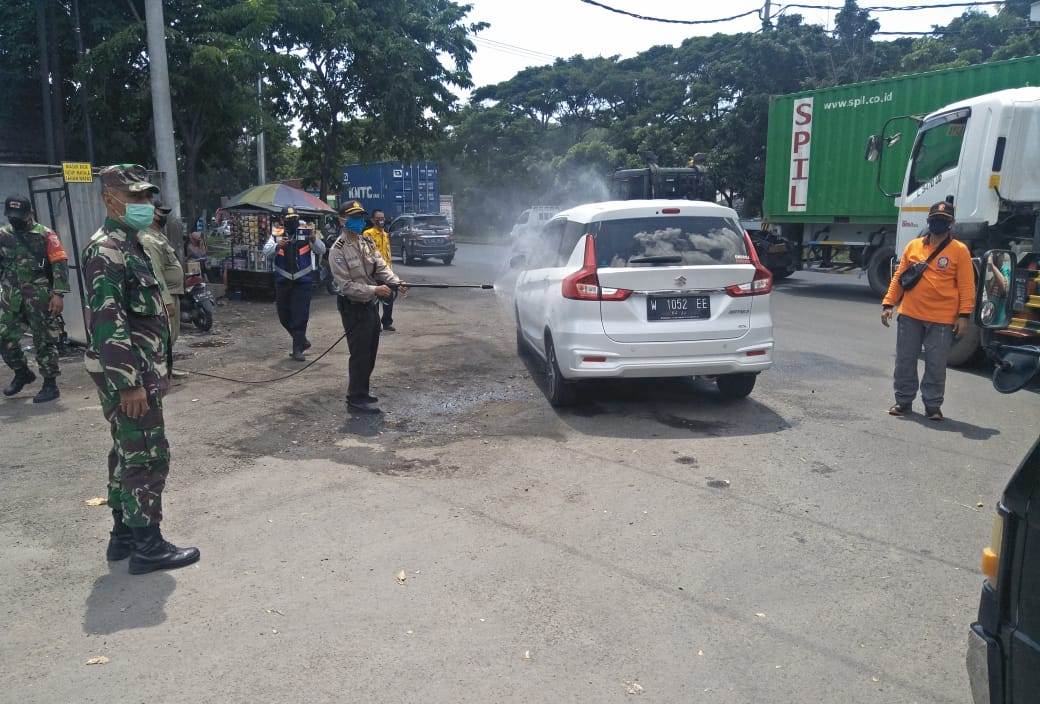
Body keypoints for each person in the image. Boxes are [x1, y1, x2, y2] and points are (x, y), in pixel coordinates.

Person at [83, 164, 199, 574]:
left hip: (140, 369)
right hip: (130, 376)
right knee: (147, 456)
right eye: (135, 197)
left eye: (147, 196)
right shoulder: (107, 250)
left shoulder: (132, 244)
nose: (145, 204)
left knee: (126, 451)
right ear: (109, 199)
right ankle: (148, 546)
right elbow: (107, 321)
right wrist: (129, 384)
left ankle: (124, 536)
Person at [882, 200, 975, 421]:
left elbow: (966, 286)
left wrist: (964, 316)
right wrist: (888, 304)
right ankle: (903, 401)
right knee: (905, 360)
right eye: (934, 219)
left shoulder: (960, 251)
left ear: (951, 223)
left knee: (936, 364)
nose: (938, 223)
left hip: (942, 319)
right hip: (910, 315)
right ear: (928, 221)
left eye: (943, 220)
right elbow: (900, 277)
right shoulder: (913, 246)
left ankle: (933, 405)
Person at [329, 201, 406, 414]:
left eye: (360, 217)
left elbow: (381, 266)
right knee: (360, 353)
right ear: (342, 220)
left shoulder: (367, 242)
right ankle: (355, 398)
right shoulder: (337, 250)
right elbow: (346, 286)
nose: (359, 221)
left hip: (370, 306)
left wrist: (396, 281)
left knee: (371, 351)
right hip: (353, 308)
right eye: (354, 217)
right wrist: (375, 290)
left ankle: (363, 391)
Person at [0, 195, 68, 403]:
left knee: (44, 340)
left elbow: (59, 264)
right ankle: (22, 372)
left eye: (19, 215)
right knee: (4, 337)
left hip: (40, 298)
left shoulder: (45, 234)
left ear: (30, 213)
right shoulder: (3, 235)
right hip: (11, 298)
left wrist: (58, 294)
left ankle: (50, 384)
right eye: (11, 216)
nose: (15, 219)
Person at [263, 207, 326, 361]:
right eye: (289, 218)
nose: (292, 221)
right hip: (283, 280)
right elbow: (266, 251)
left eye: (294, 218)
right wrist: (278, 246)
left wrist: (313, 239)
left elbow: (322, 250)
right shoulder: (277, 233)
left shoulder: (306, 231)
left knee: (300, 316)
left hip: (303, 281)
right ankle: (302, 340)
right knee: (284, 316)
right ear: (282, 219)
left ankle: (297, 348)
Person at [139, 203, 186, 363]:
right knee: (165, 335)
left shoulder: (158, 236)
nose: (163, 217)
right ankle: (161, 370)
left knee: (172, 334)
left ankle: (168, 369)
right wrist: (166, 301)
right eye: (160, 214)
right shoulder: (149, 240)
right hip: (166, 295)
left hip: (173, 292)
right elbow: (156, 272)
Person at [363, 208, 397, 331]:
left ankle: (387, 322)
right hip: (374, 273)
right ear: (373, 220)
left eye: (382, 218)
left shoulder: (385, 234)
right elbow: (368, 254)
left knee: (389, 298)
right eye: (378, 218)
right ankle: (376, 324)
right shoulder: (368, 234)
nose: (381, 220)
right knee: (375, 299)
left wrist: (391, 271)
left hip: (386, 272)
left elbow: (388, 253)